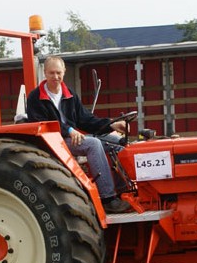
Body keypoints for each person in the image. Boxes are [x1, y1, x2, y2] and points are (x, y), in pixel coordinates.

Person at [25, 55, 132, 214]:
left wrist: (111, 125)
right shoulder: (35, 97)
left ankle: (124, 191)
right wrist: (69, 130)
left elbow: (86, 119)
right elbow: (42, 124)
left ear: (64, 72)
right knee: (93, 144)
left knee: (117, 142)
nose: (55, 76)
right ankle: (108, 199)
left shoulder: (70, 94)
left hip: (72, 137)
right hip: (54, 142)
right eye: (52, 73)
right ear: (45, 73)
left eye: (58, 73)